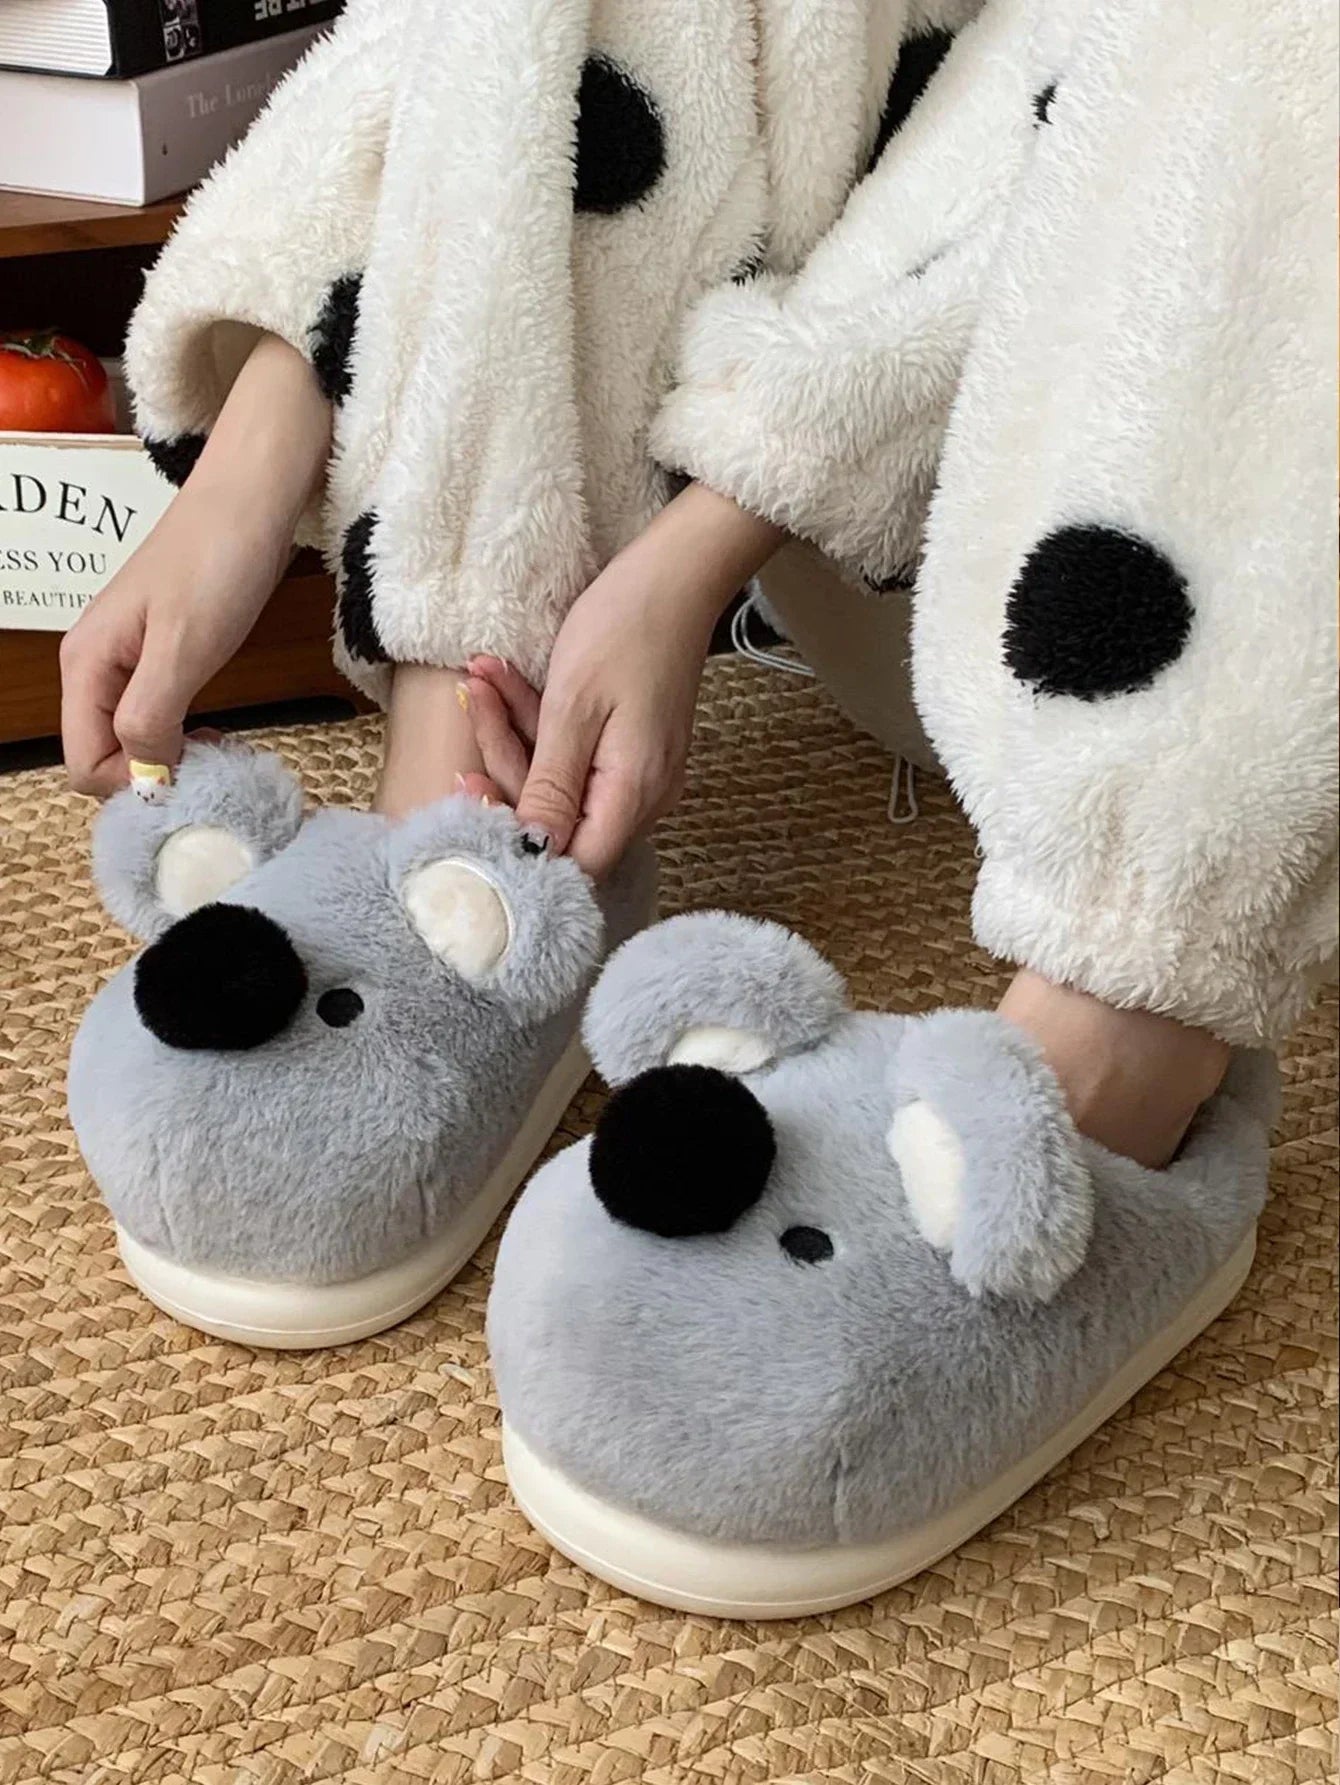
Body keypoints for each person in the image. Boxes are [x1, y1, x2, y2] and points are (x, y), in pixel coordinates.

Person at [60, 0, 1336, 1174]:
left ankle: (1124, 1040)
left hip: (1209, 648)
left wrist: (710, 534)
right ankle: (470, 783)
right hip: (892, 550)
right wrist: (255, 454)